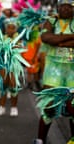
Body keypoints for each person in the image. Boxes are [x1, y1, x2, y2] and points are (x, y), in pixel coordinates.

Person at [33, 1, 74, 144]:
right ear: (58, 7)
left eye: (70, 6)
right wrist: (69, 38)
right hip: (53, 71)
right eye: (63, 5)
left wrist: (58, 40)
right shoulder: (52, 20)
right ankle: (40, 140)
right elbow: (46, 38)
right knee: (49, 106)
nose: (66, 9)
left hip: (72, 71)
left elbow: (52, 39)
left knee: (73, 107)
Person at [0, 17, 22, 117]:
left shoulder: (19, 38)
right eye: (8, 27)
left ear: (16, 29)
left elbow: (19, 50)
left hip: (14, 66)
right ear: (5, 29)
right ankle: (2, 106)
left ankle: (14, 107)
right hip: (3, 65)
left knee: (14, 86)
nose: (10, 29)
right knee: (3, 85)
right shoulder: (2, 38)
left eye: (12, 28)